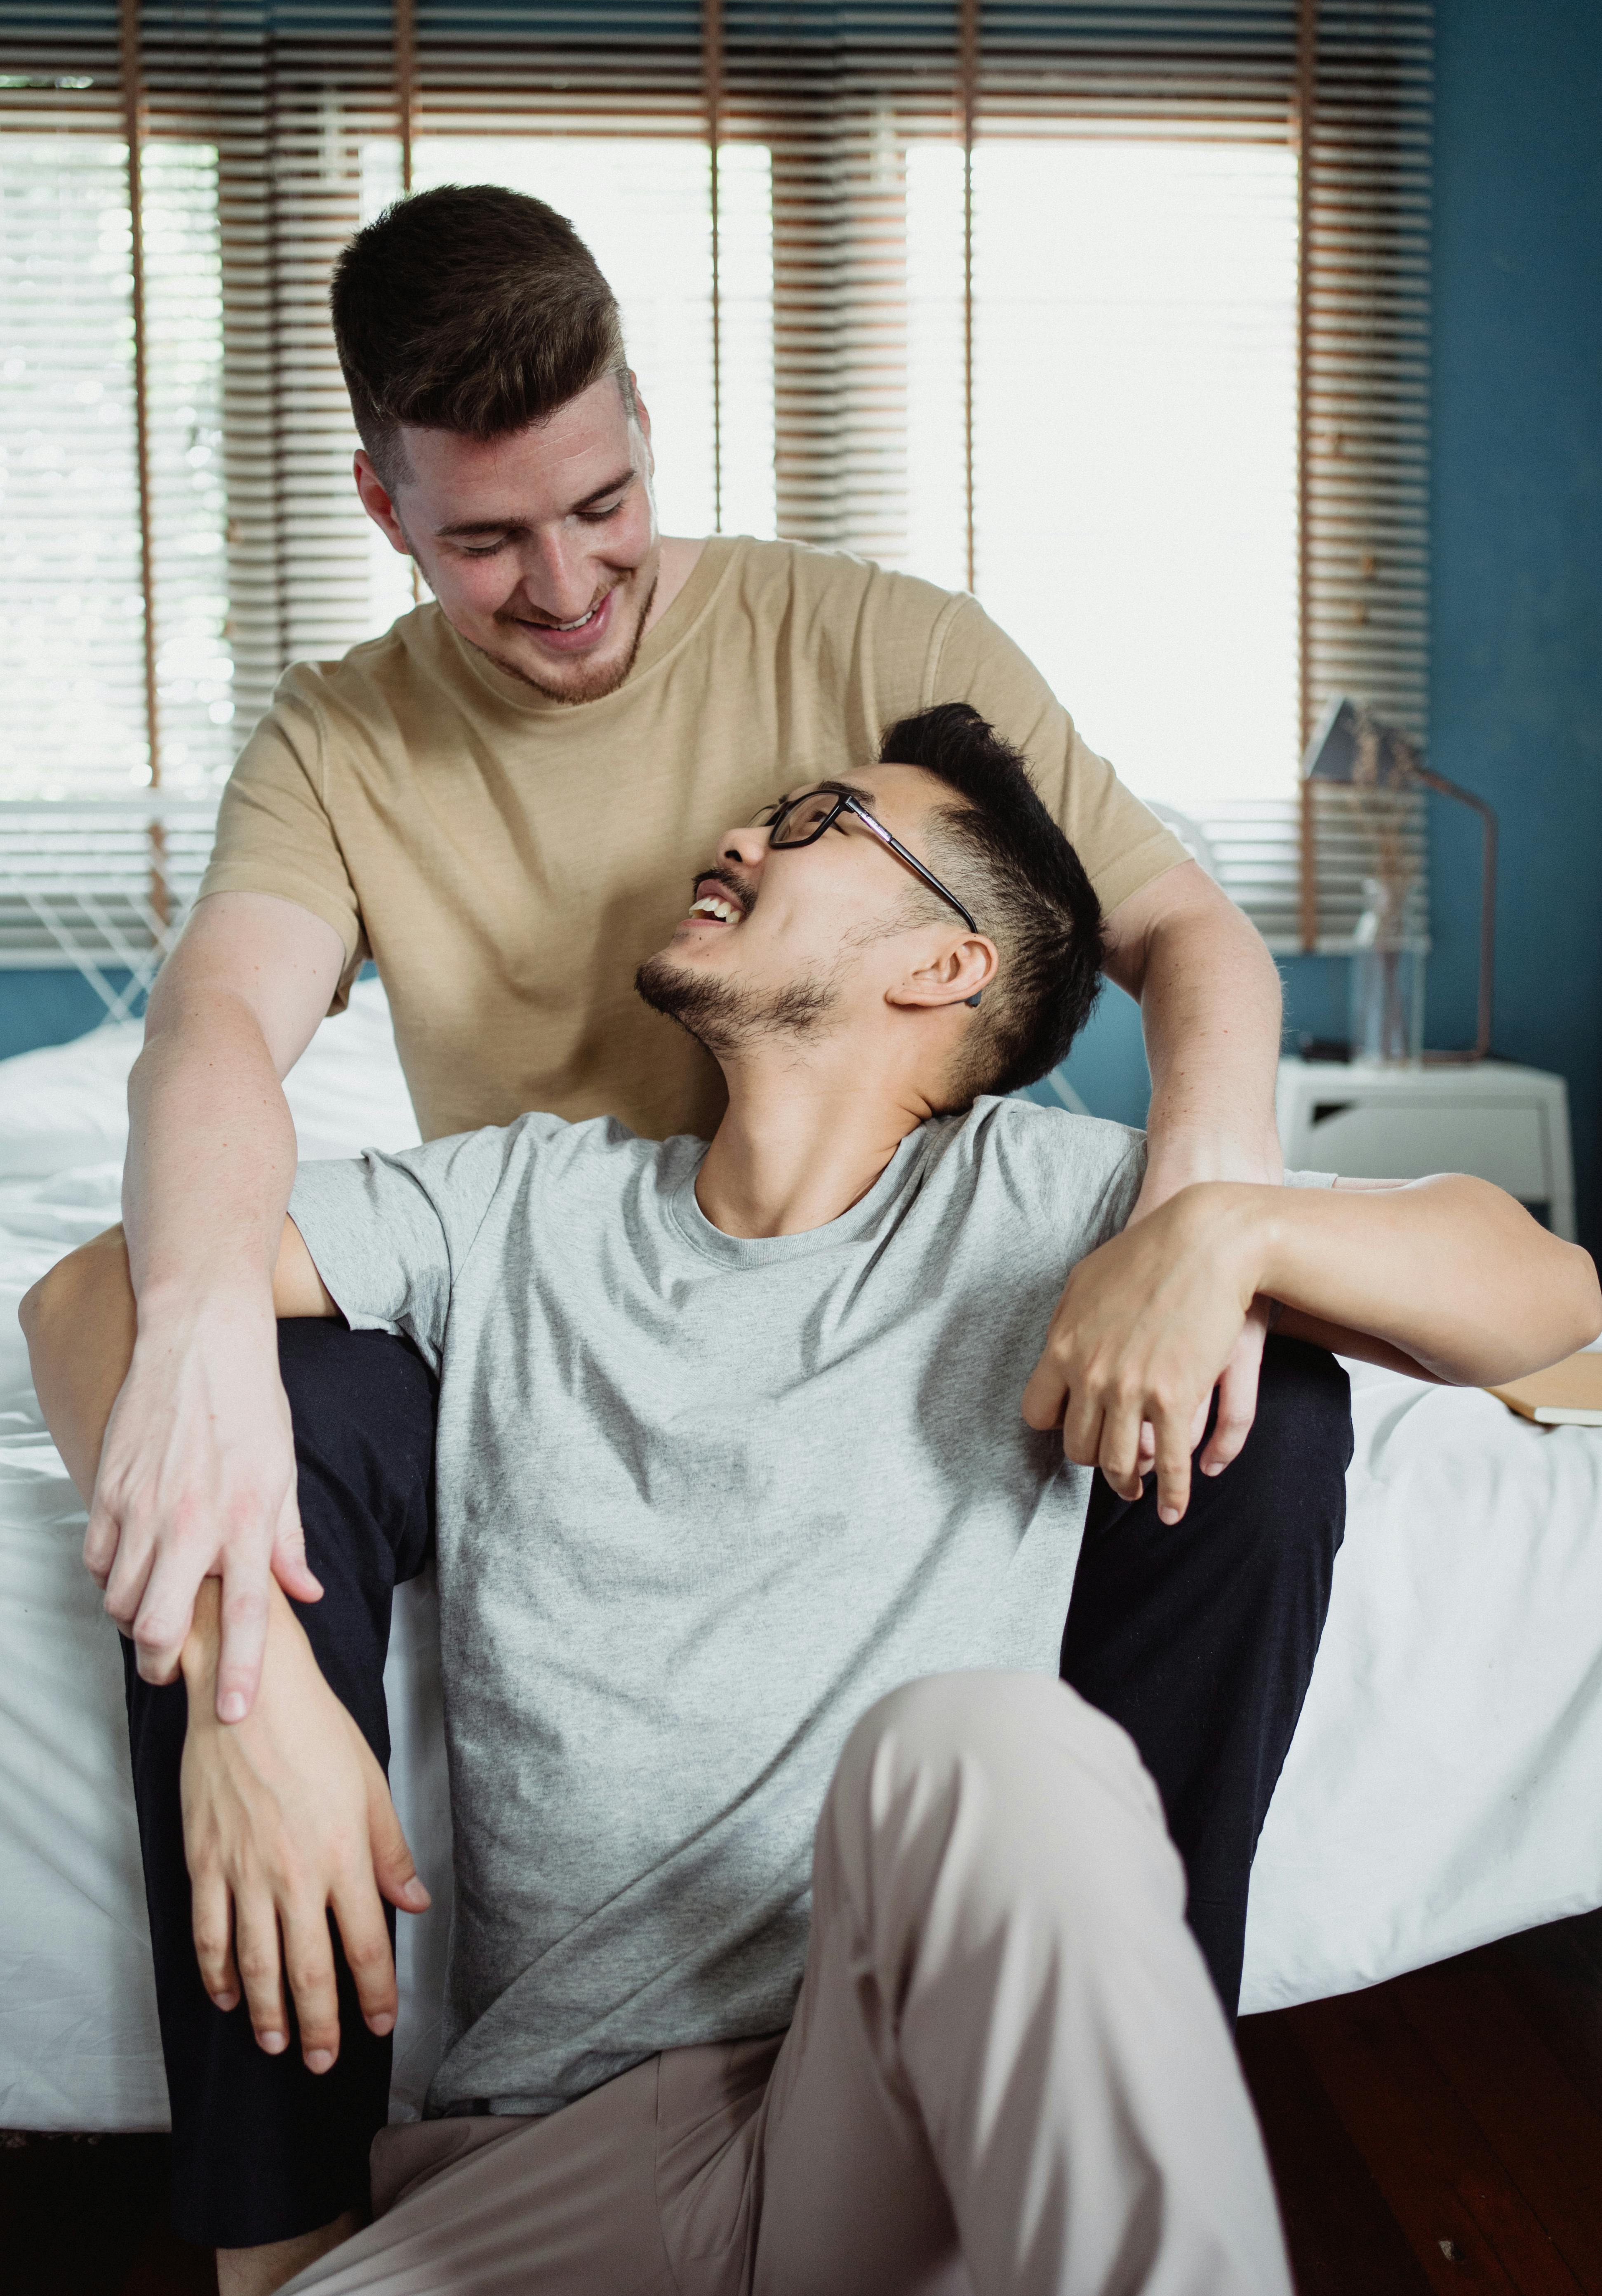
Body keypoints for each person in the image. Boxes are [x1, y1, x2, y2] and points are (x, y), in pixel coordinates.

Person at [64, 178, 1322, 2278]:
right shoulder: (343, 734)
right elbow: (213, 1031)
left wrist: (1190, 1213)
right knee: (218, 1456)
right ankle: (266, 2228)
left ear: (646, 419)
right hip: (549, 1278)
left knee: (1263, 1428)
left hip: (885, 1240)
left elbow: (1185, 927)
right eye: (486, 542)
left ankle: (1114, 2060)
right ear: (386, 507)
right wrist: (204, 1409)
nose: (566, 586)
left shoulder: (874, 635)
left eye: (604, 503)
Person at [26, 711, 1600, 2296]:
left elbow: (1549, 1297)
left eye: (822, 821)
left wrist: (1229, 1236)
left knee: (995, 1755)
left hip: (882, 2126)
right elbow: (93, 1298)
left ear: (944, 966)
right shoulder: (521, 1203)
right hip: (534, 2167)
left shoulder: (1057, 1206)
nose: (742, 838)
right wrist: (254, 1673)